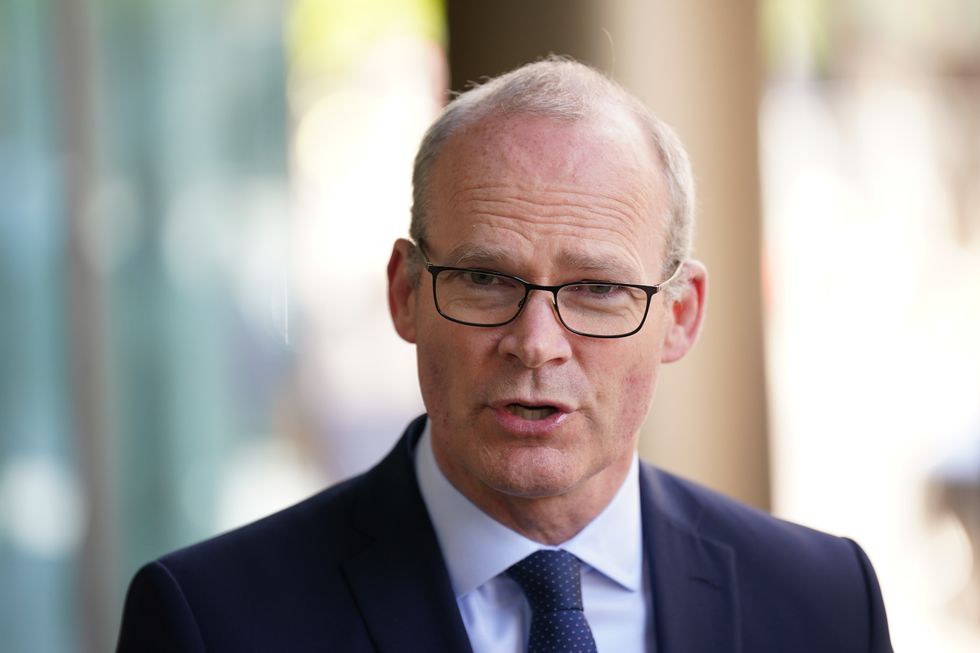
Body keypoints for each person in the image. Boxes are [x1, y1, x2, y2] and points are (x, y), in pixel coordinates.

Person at [117, 57, 893, 652]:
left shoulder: (824, 603)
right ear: (405, 294)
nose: (536, 343)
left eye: (595, 288)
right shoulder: (213, 620)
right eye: (486, 279)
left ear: (680, 316)